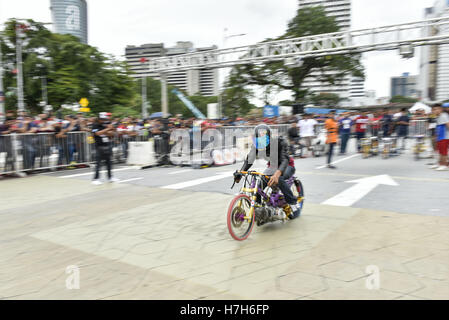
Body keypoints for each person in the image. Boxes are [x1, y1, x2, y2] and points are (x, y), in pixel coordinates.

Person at [233, 124, 301, 219]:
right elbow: (249, 159)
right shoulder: (257, 145)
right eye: (258, 141)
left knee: (280, 178)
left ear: (269, 137)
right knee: (258, 184)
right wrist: (241, 173)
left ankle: (293, 202)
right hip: (272, 166)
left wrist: (277, 174)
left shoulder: (280, 142)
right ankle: (259, 209)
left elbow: (285, 160)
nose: (261, 144)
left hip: (287, 166)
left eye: (263, 140)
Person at [92, 112, 119, 185]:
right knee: (98, 164)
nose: (103, 120)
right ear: (98, 119)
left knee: (109, 163)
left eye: (104, 119)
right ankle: (95, 179)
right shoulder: (95, 125)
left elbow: (111, 134)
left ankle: (110, 177)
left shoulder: (105, 125)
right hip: (99, 146)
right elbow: (97, 133)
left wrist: (109, 130)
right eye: (102, 119)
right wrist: (107, 130)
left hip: (107, 145)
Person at [430, 104, 449, 171]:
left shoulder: (444, 115)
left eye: (436, 109)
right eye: (433, 109)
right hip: (440, 137)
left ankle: (444, 165)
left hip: (445, 137)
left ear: (440, 109)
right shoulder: (438, 116)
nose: (434, 111)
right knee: (440, 151)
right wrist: (436, 136)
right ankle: (440, 163)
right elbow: (438, 127)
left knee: (443, 152)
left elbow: (448, 125)